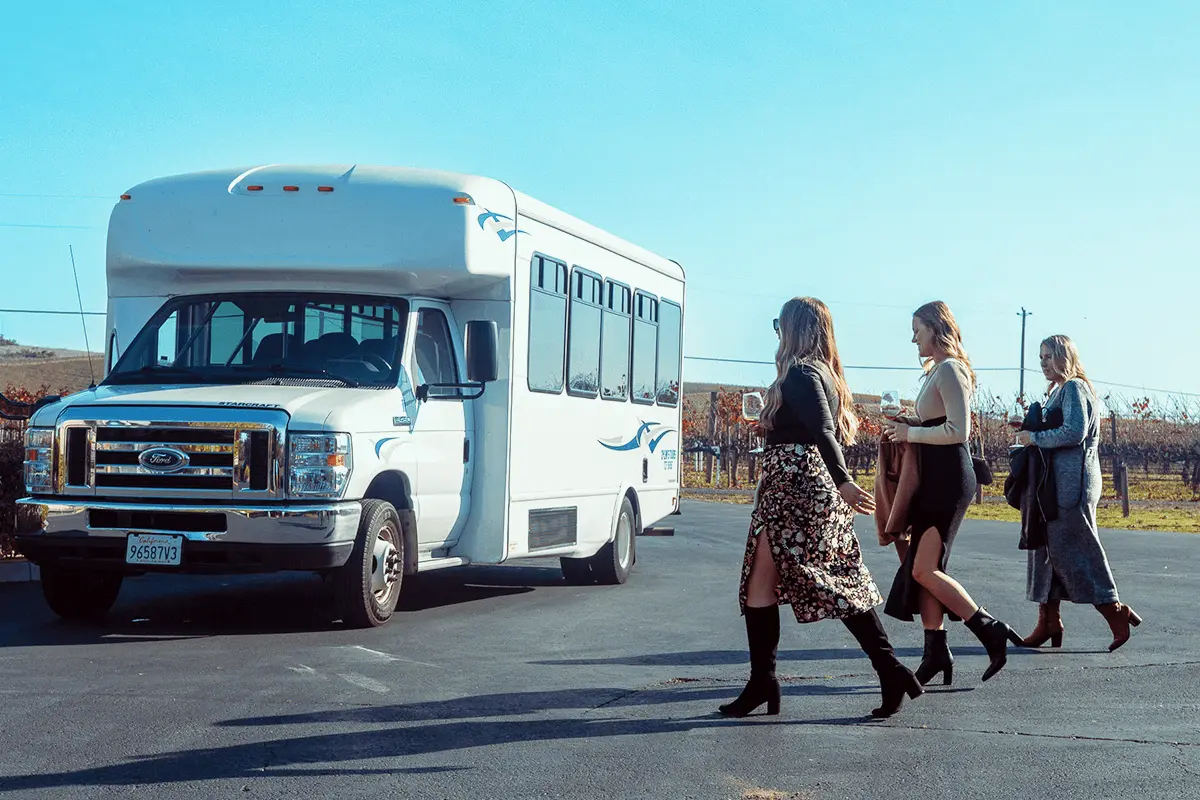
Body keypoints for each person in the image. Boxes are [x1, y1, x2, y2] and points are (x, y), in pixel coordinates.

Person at [720, 296, 923, 720]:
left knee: (829, 581)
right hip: (798, 487)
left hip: (797, 488)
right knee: (763, 583)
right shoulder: (823, 373)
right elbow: (815, 427)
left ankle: (889, 669)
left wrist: (844, 480)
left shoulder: (800, 372)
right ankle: (764, 681)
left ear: (795, 328)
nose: (777, 332)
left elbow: (823, 430)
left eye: (780, 324)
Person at [881, 301, 1022, 684]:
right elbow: (936, 422)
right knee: (926, 569)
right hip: (933, 476)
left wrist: (911, 432)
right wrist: (907, 422)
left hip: (949, 479)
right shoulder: (934, 372)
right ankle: (936, 651)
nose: (913, 338)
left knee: (924, 568)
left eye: (917, 330)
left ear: (936, 328)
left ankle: (988, 628)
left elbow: (959, 431)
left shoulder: (952, 370)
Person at [1015, 335, 1142, 651]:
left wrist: (1034, 438)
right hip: (1057, 483)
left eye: (1047, 357)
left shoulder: (1074, 387)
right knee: (1048, 549)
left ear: (1063, 356)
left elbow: (1075, 431)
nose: (1042, 363)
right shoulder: (1058, 390)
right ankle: (1048, 621)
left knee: (1076, 548)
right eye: (1040, 358)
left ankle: (1115, 610)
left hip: (1073, 483)